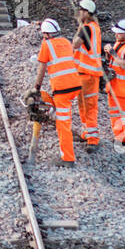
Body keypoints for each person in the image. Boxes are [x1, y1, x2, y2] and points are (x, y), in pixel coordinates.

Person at [33, 18, 81, 164]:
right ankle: (54, 113)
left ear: (47, 34)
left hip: (62, 88)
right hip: (75, 85)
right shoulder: (66, 41)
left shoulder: (47, 45)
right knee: (63, 115)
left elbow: (42, 68)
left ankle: (67, 158)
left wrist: (37, 87)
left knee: (63, 122)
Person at [72, 0, 103, 148]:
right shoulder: (94, 27)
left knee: (89, 106)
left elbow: (75, 44)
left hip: (88, 73)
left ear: (86, 12)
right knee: (83, 104)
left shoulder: (87, 28)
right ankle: (86, 133)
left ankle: (93, 139)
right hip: (85, 73)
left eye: (80, 10)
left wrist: (79, 28)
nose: (78, 13)